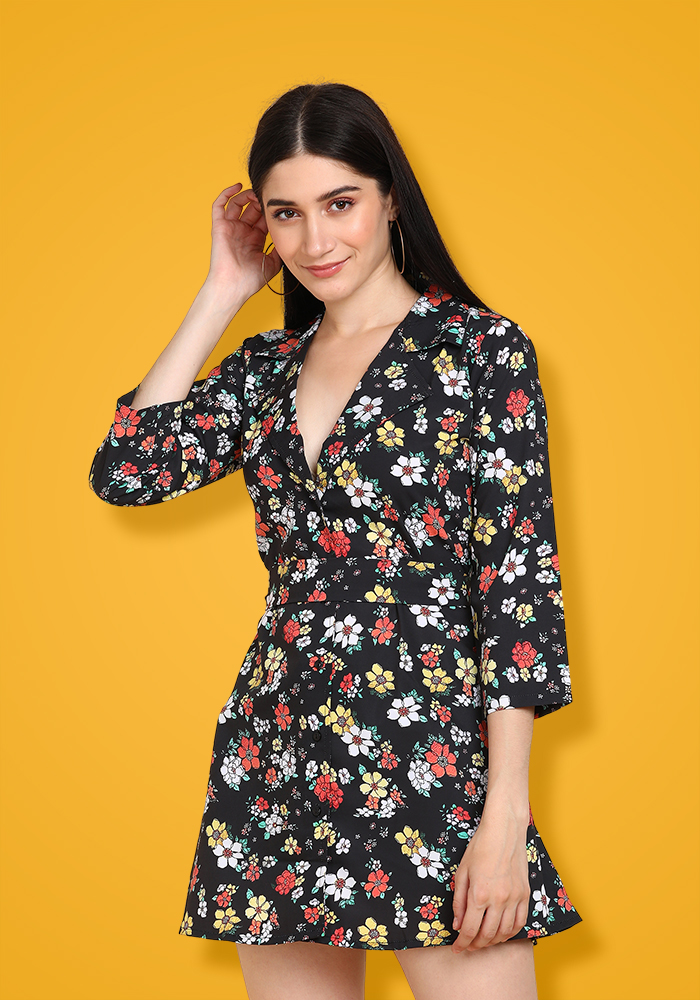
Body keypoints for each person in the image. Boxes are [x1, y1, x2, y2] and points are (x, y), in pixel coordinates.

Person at [88, 82, 582, 1000]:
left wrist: (504, 818)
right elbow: (129, 469)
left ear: (391, 198)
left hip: (429, 757)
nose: (315, 241)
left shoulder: (478, 353)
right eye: (287, 214)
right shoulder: (266, 371)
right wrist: (223, 291)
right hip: (277, 752)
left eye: (340, 203)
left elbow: (518, 594)